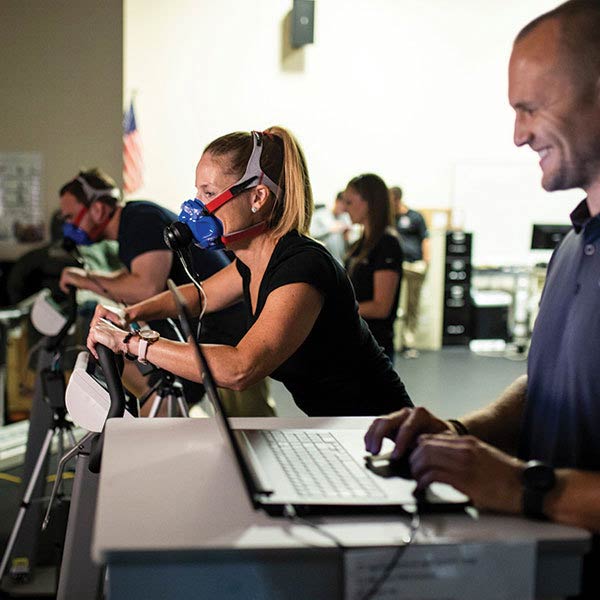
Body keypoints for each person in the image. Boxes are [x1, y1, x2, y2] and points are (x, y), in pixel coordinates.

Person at [366, 1, 600, 596]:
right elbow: (548, 384)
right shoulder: (574, 246)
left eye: (530, 108)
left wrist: (526, 486)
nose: (517, 134)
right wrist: (465, 434)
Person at [87, 127, 413, 417]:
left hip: (382, 425)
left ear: (257, 196)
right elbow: (201, 297)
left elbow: (241, 369)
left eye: (209, 193)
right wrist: (129, 313)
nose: (197, 206)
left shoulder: (302, 268)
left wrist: (133, 343)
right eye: (198, 192)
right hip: (338, 427)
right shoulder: (251, 260)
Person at [57, 168, 272, 416]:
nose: (69, 225)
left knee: (252, 426)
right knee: (162, 406)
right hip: (203, 332)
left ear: (97, 209)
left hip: (228, 333)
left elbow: (146, 286)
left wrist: (84, 280)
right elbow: (130, 281)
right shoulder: (132, 224)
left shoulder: (139, 221)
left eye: (71, 216)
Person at [344, 174, 404, 361]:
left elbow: (381, 307)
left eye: (350, 202)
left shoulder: (387, 243)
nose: (346, 208)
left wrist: (337, 311)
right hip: (355, 342)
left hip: (376, 347)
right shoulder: (359, 244)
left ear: (367, 202)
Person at [390, 186, 429, 357]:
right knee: (393, 304)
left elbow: (425, 239)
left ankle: (408, 343)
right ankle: (390, 340)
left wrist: (426, 262)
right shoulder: (389, 218)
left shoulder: (415, 217)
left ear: (397, 199)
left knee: (412, 305)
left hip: (414, 265)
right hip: (396, 266)